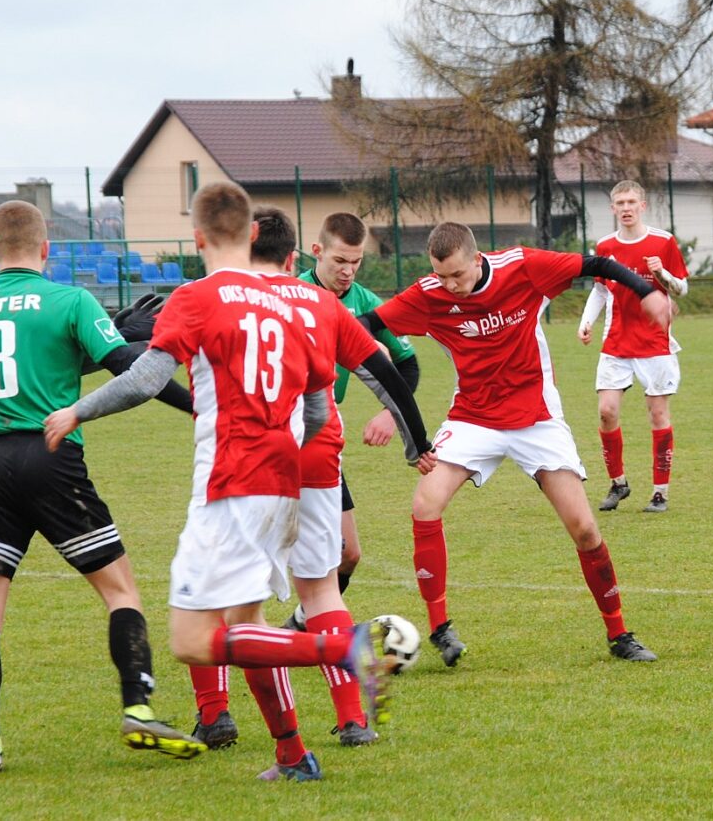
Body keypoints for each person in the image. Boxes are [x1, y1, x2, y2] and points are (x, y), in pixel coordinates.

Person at [45, 182, 432, 781]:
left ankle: (342, 651)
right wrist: (406, 443)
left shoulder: (197, 297)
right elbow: (322, 403)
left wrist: (78, 410)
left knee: (194, 639)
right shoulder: (301, 303)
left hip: (231, 485)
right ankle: (293, 754)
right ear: (259, 236)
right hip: (292, 477)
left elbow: (148, 377)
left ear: (198, 238)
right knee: (255, 624)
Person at [0, 200, 204, 775]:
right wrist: (196, 405)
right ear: (48, 249)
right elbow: (130, 370)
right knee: (119, 590)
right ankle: (138, 709)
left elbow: (30, 364)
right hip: (51, 455)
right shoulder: (71, 299)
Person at [359, 222, 671, 666]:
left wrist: (646, 291)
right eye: (441, 276)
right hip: (473, 416)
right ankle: (441, 629)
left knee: (584, 528)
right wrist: (370, 346)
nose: (449, 286)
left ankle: (619, 633)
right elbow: (365, 323)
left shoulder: (521, 266)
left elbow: (597, 264)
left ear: (477, 259)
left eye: (457, 277)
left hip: (536, 418)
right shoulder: (430, 294)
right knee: (425, 503)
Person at [187, 206, 434, 751]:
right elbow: (385, 371)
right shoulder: (320, 304)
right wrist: (417, 442)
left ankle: (222, 717)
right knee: (322, 589)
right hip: (319, 455)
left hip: (246, 459)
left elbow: (146, 357)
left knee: (219, 595)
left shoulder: (215, 298)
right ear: (299, 256)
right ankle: (352, 718)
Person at [280, 212, 420, 630]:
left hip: (325, 430)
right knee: (277, 544)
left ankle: (302, 626)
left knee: (348, 553)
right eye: (340, 261)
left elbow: (407, 365)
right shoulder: (291, 293)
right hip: (282, 426)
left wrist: (389, 415)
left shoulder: (365, 302)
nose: (347, 271)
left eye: (356, 262)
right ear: (317, 251)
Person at [578, 180, 688, 513]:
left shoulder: (663, 241)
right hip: (616, 344)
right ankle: (618, 483)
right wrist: (586, 322)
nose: (626, 208)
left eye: (631, 202)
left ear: (643, 205)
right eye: (620, 203)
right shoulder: (605, 245)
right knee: (606, 411)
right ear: (613, 209)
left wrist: (662, 274)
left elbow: (681, 289)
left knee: (657, 414)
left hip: (655, 344)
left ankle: (660, 492)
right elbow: (600, 290)